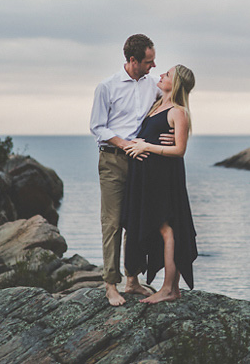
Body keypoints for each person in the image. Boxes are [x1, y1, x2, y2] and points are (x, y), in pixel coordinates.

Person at [90, 33, 172, 306]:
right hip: (112, 160)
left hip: (142, 162)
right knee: (112, 223)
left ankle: (132, 280)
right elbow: (98, 127)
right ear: (133, 60)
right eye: (149, 61)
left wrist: (175, 135)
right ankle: (110, 285)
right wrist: (123, 143)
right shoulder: (107, 86)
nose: (154, 66)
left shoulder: (154, 86)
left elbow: (175, 104)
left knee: (135, 221)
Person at [122, 64, 198, 303]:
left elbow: (180, 150)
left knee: (167, 228)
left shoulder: (178, 111)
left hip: (164, 176)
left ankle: (169, 289)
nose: (162, 74)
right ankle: (165, 287)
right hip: (147, 176)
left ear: (175, 83)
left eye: (168, 74)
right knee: (159, 228)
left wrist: (148, 146)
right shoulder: (157, 104)